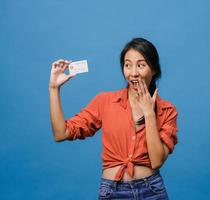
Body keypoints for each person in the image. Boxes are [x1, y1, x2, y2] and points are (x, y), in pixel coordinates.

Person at [49, 38, 178, 199]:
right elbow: (61, 133)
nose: (133, 73)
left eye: (141, 65)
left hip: (151, 191)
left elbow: (157, 161)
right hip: (113, 192)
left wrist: (149, 114)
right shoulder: (105, 101)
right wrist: (54, 88)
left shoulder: (167, 110)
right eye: (127, 65)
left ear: (154, 70)